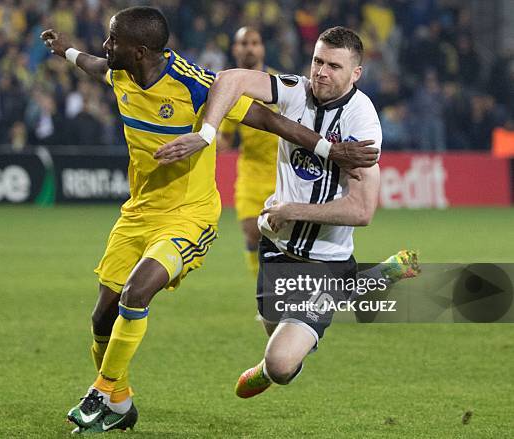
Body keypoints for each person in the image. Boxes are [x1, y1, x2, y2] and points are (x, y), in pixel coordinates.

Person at [41, 7, 378, 433]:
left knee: (137, 290)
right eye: (318, 61)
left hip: (190, 215)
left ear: (140, 49)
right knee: (101, 318)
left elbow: (266, 119)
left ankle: (101, 389)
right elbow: (93, 64)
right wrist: (64, 51)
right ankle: (121, 399)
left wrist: (329, 150)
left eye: (113, 40)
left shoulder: (191, 85)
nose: (106, 47)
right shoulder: (120, 72)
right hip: (138, 212)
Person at [157, 26, 411, 399]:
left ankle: (349, 287)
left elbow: (362, 210)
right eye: (317, 61)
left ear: (356, 73)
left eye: (334, 66)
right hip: (276, 250)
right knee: (275, 332)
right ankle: (369, 280)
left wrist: (292, 210)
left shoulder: (362, 122)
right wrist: (207, 134)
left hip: (325, 261)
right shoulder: (296, 91)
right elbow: (229, 79)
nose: (321, 72)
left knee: (277, 364)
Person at [217, 26, 280, 276]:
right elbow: (225, 138)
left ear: (262, 47)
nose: (250, 48)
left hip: (282, 174)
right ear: (235, 49)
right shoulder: (230, 89)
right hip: (252, 173)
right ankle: (264, 296)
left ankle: (285, 294)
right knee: (252, 233)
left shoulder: (278, 84)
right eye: (244, 43)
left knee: (284, 241)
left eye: (254, 42)